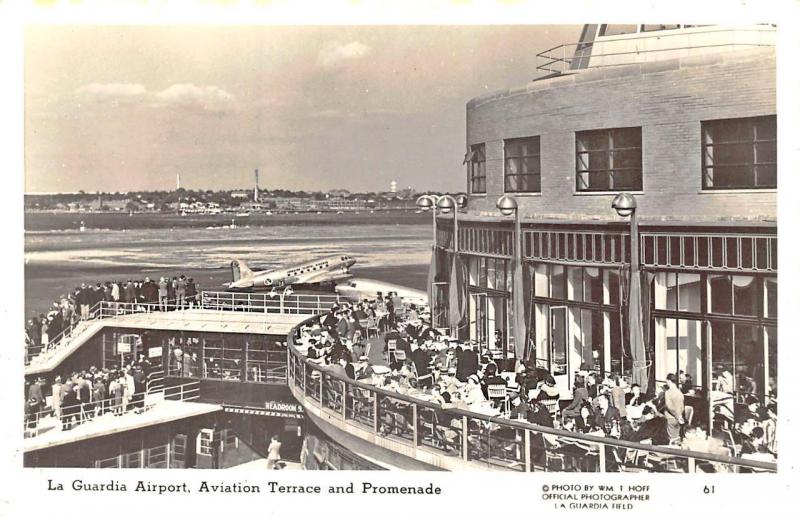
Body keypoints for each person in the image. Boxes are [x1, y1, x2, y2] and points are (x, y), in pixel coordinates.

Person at [664, 373, 686, 441]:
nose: (666, 383)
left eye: (667, 381)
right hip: (679, 418)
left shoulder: (668, 392)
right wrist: (679, 416)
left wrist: (676, 416)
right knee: (677, 436)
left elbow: (669, 406)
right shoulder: (679, 392)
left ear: (669, 381)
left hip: (671, 418)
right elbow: (682, 407)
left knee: (671, 438)